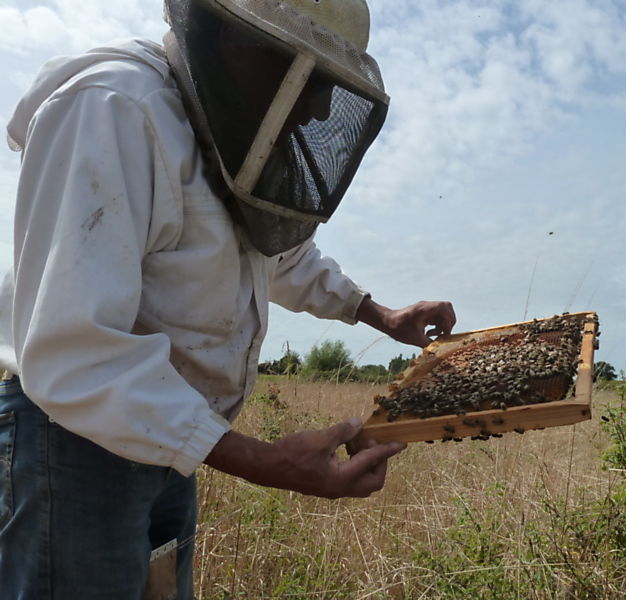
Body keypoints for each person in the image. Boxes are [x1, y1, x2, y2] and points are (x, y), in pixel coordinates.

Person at [0, 0, 456, 597]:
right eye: (313, 81)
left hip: (169, 438)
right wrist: (261, 460)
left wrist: (379, 314)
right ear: (240, 42)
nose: (319, 109)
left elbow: (277, 253)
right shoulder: (113, 107)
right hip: (72, 444)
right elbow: (75, 350)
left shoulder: (232, 133)